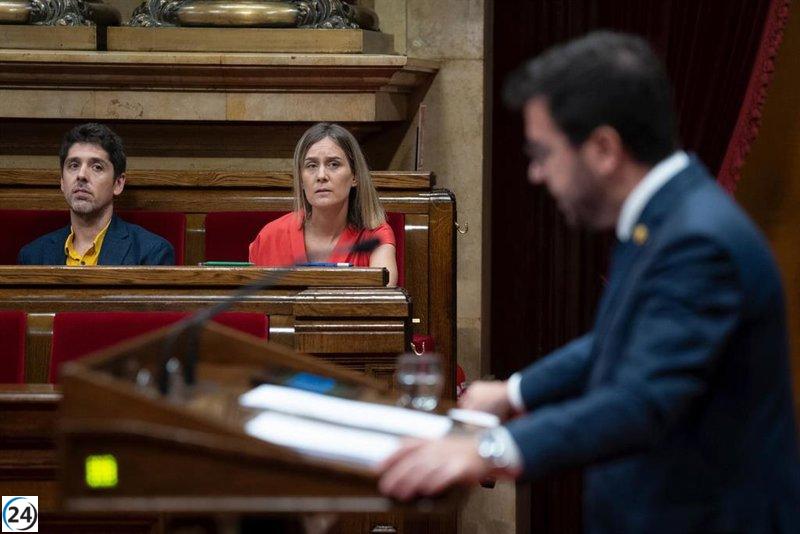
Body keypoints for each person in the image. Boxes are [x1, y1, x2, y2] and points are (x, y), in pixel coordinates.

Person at [378, 31, 800, 532]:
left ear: (603, 148)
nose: (535, 173)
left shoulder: (698, 241)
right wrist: (516, 392)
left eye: (543, 152)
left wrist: (490, 448)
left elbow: (641, 403)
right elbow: (619, 339)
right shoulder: (666, 215)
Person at [248, 122, 398, 286]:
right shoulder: (270, 235)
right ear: (301, 180)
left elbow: (383, 302)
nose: (321, 175)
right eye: (311, 165)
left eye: (334, 164)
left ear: (355, 176)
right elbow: (251, 307)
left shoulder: (374, 235)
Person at [17, 123, 174, 266]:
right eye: (73, 165)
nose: (81, 175)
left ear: (118, 183)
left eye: (97, 167)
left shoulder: (151, 253)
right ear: (62, 182)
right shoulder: (33, 256)